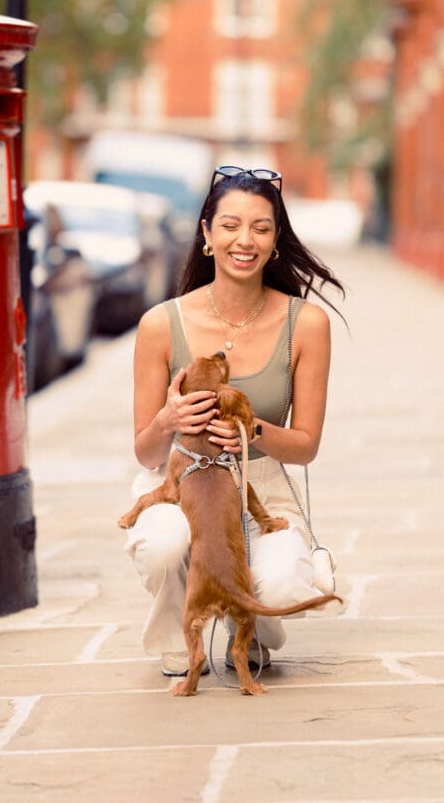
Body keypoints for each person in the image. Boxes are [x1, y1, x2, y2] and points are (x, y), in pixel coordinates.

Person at [124, 165, 345, 677]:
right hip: (184, 475)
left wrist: (254, 431)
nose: (244, 240)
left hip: (261, 480)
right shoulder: (160, 324)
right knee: (164, 544)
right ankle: (177, 631)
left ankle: (252, 626)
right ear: (206, 233)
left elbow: (307, 445)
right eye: (229, 226)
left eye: (261, 228)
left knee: (286, 583)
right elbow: (146, 452)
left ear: (275, 241)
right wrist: (167, 419)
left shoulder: (306, 324)